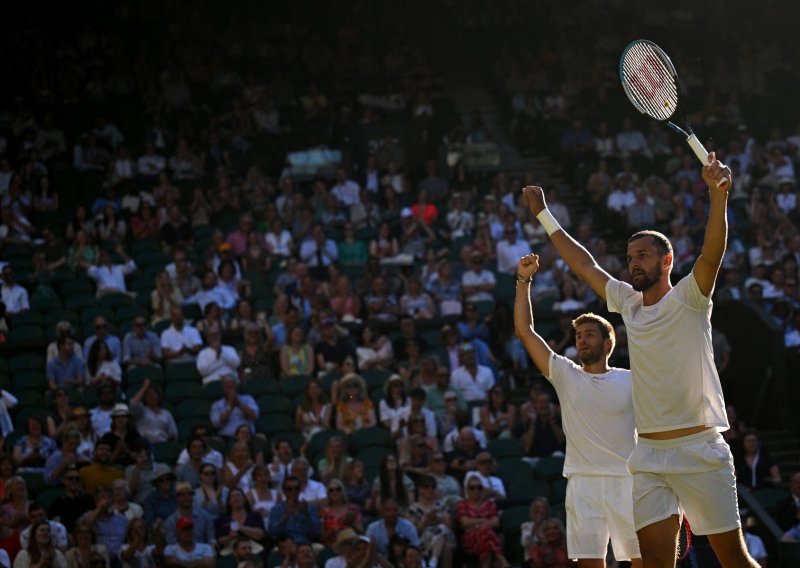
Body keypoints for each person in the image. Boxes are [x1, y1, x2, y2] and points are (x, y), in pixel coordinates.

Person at [520, 153, 759, 567]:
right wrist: (544, 215)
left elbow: (711, 252)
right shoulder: (628, 304)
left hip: (699, 448)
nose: (634, 263)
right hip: (647, 457)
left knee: (733, 559)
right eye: (631, 257)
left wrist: (718, 197)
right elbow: (585, 263)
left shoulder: (691, 298)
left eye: (643, 256)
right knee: (652, 563)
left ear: (666, 261)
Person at [514, 261, 642, 567]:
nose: (582, 339)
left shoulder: (631, 379)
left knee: (642, 561)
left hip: (627, 482)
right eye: (579, 335)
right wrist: (522, 281)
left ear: (608, 343)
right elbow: (525, 331)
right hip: (582, 483)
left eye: (589, 334)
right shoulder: (565, 374)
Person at [456, 476, 507, 568]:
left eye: (479, 487)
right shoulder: (463, 504)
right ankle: (501, 559)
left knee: (485, 534)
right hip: (470, 539)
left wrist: (475, 525)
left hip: (486, 536)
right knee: (486, 532)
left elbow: (496, 522)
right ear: (467, 490)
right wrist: (485, 520)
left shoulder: (489, 504)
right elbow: (464, 523)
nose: (476, 490)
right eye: (472, 488)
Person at [268, 476, 321, 545]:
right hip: (285, 545)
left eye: (296, 488)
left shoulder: (309, 508)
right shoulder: (276, 509)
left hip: (305, 544)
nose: (293, 491)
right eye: (289, 489)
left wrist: (306, 514)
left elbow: (317, 533)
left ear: (300, 490)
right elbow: (273, 534)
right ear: (284, 491)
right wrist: (285, 516)